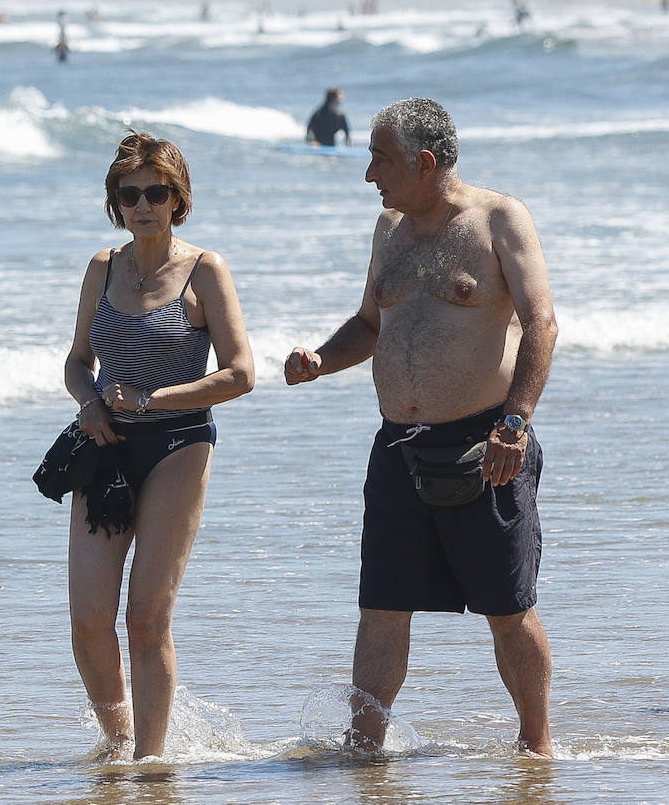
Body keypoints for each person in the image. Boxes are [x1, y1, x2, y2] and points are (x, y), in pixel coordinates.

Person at [284, 97, 558, 756]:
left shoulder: (499, 219)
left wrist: (515, 424)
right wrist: (322, 359)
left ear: (424, 161)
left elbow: (541, 323)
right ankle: (364, 745)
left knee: (506, 608)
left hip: (485, 445)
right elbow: (370, 326)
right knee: (381, 608)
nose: (370, 174)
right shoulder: (389, 229)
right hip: (397, 451)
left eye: (380, 159)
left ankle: (537, 746)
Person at [63, 132, 254, 758]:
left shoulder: (206, 270)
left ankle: (151, 764)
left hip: (178, 444)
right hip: (106, 445)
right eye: (130, 194)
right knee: (89, 622)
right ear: (116, 202)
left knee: (146, 619)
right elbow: (76, 363)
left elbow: (240, 373)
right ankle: (120, 745)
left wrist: (151, 401)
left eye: (156, 192)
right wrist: (90, 404)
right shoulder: (102, 266)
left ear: (178, 198)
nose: (143, 204)